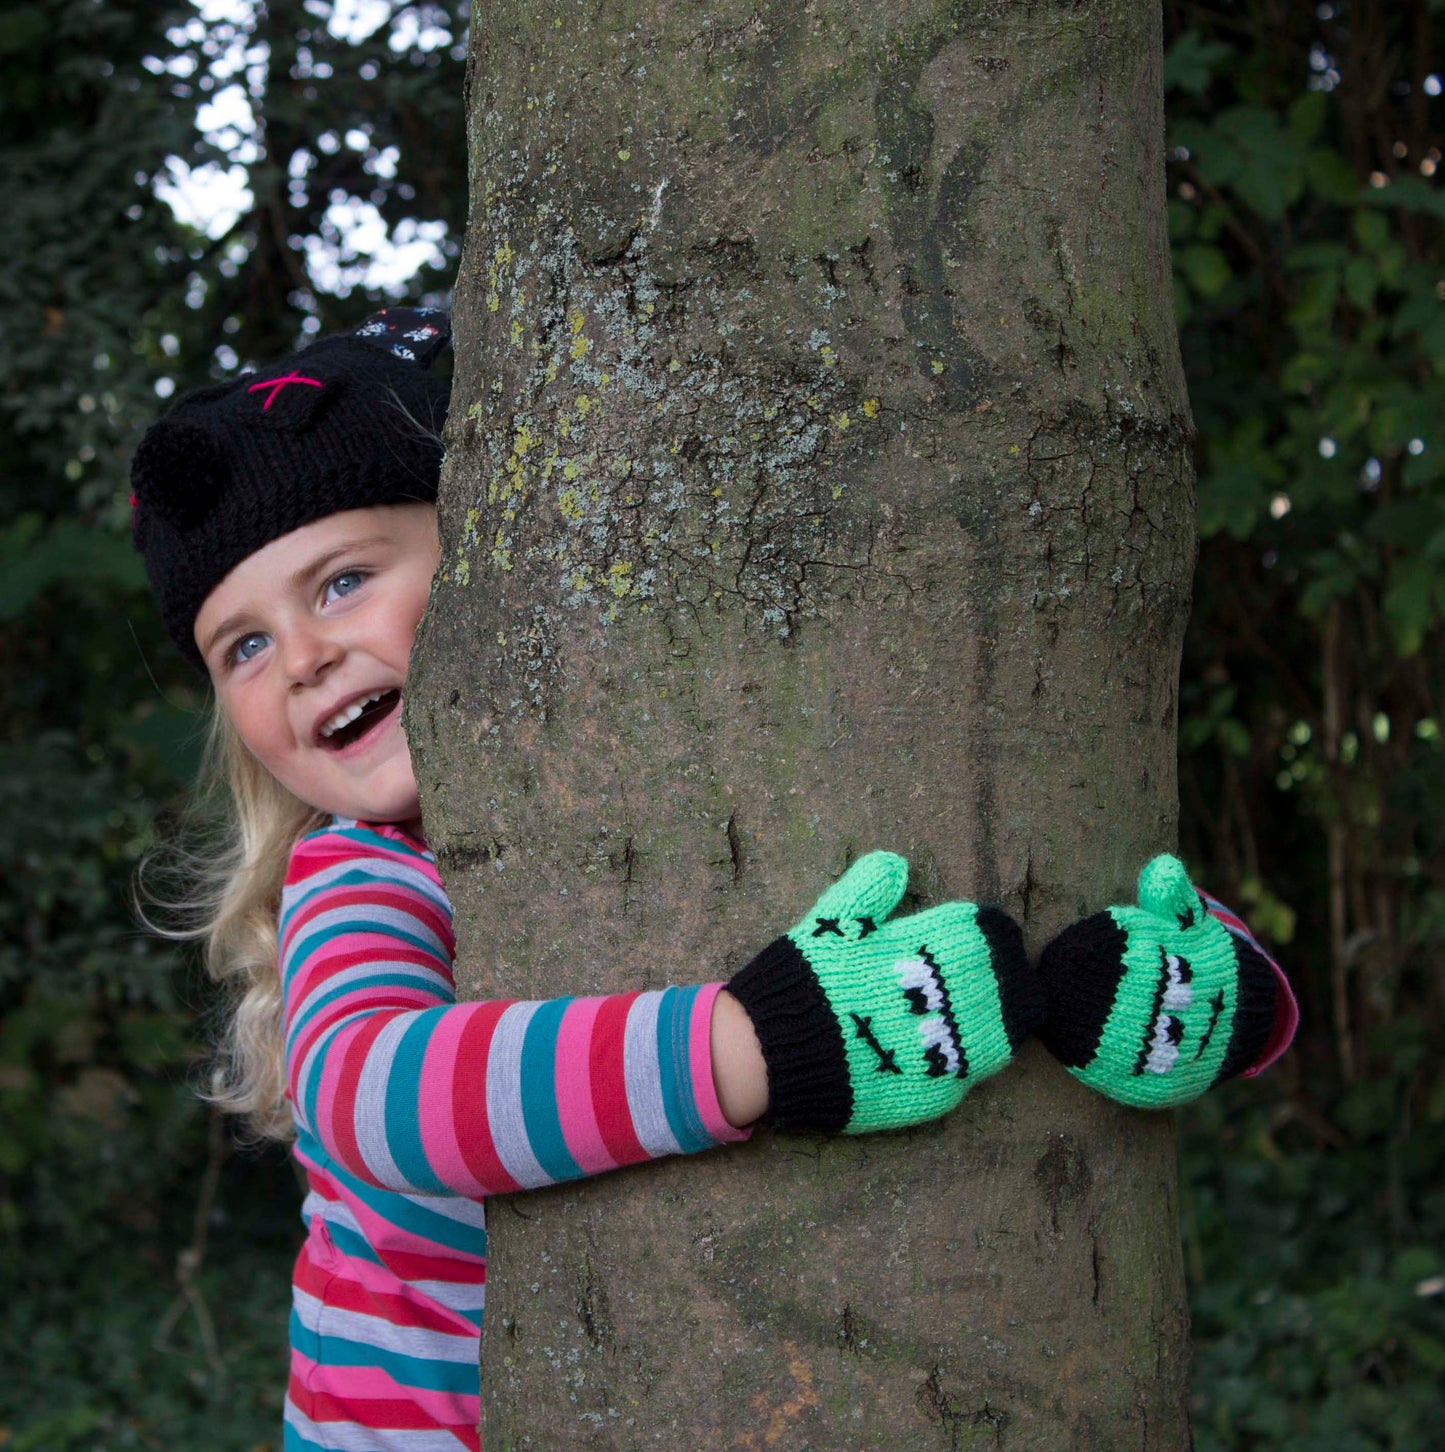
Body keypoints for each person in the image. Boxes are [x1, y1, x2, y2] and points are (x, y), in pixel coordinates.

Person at [130, 307, 1297, 1450]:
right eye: (243, 645)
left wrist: (1205, 993)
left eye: (340, 583)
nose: (303, 657)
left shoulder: (657, 783)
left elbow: (1142, 935)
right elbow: (378, 1101)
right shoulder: (359, 869)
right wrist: (759, 1045)